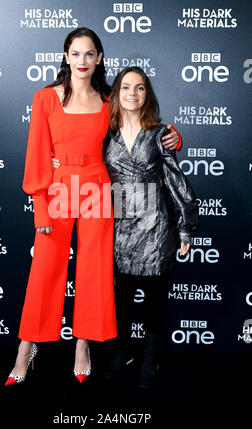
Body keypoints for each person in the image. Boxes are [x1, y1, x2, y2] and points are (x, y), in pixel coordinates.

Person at [6, 27, 181, 387]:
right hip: (57, 190)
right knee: (44, 273)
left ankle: (82, 347)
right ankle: (26, 349)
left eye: (90, 54)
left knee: (94, 273)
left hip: (100, 189)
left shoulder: (108, 100)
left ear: (99, 59)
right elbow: (37, 156)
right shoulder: (45, 99)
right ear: (66, 57)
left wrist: (172, 137)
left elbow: (138, 127)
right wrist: (40, 206)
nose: (83, 60)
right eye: (76, 53)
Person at [101, 66, 199, 388]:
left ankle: (150, 356)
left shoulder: (159, 133)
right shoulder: (104, 133)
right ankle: (123, 353)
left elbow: (175, 180)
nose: (132, 93)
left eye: (140, 88)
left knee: (156, 298)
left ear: (147, 95)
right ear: (116, 93)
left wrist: (185, 227)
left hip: (156, 225)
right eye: (126, 87)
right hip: (120, 225)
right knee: (123, 298)